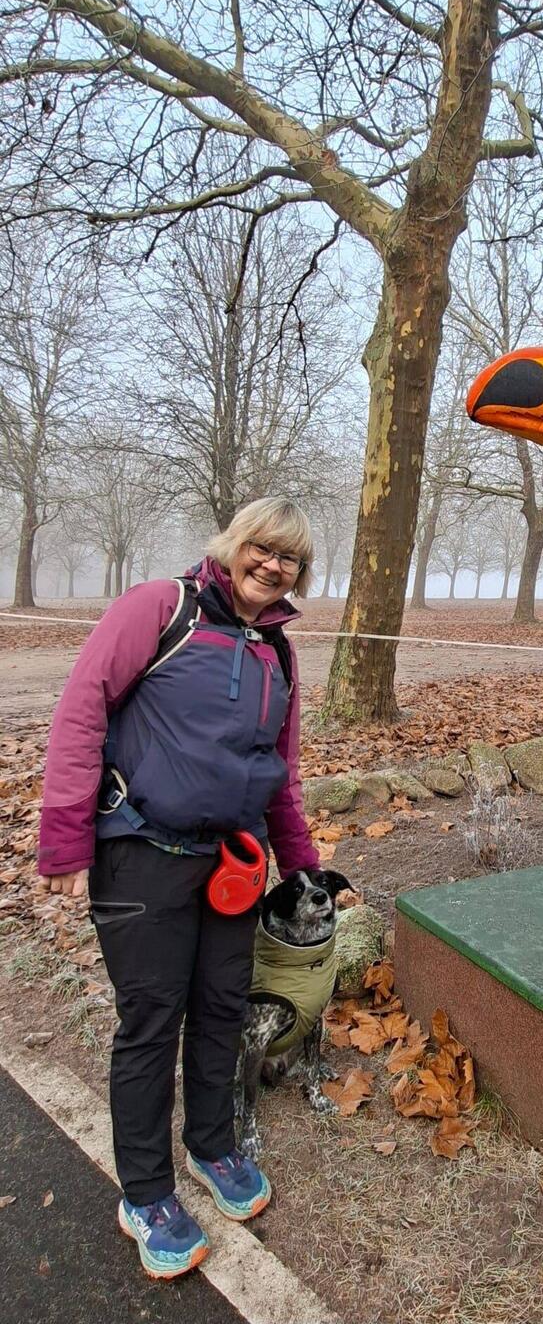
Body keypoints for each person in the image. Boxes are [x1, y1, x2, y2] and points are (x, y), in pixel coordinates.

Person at [37, 497, 321, 1280]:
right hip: (143, 856)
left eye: (289, 558)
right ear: (233, 546)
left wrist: (300, 866)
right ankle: (145, 1192)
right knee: (153, 1019)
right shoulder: (160, 610)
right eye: (262, 548)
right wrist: (64, 837)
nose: (273, 565)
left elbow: (279, 773)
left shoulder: (277, 653)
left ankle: (211, 1146)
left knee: (224, 1007)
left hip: (231, 868)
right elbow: (79, 712)